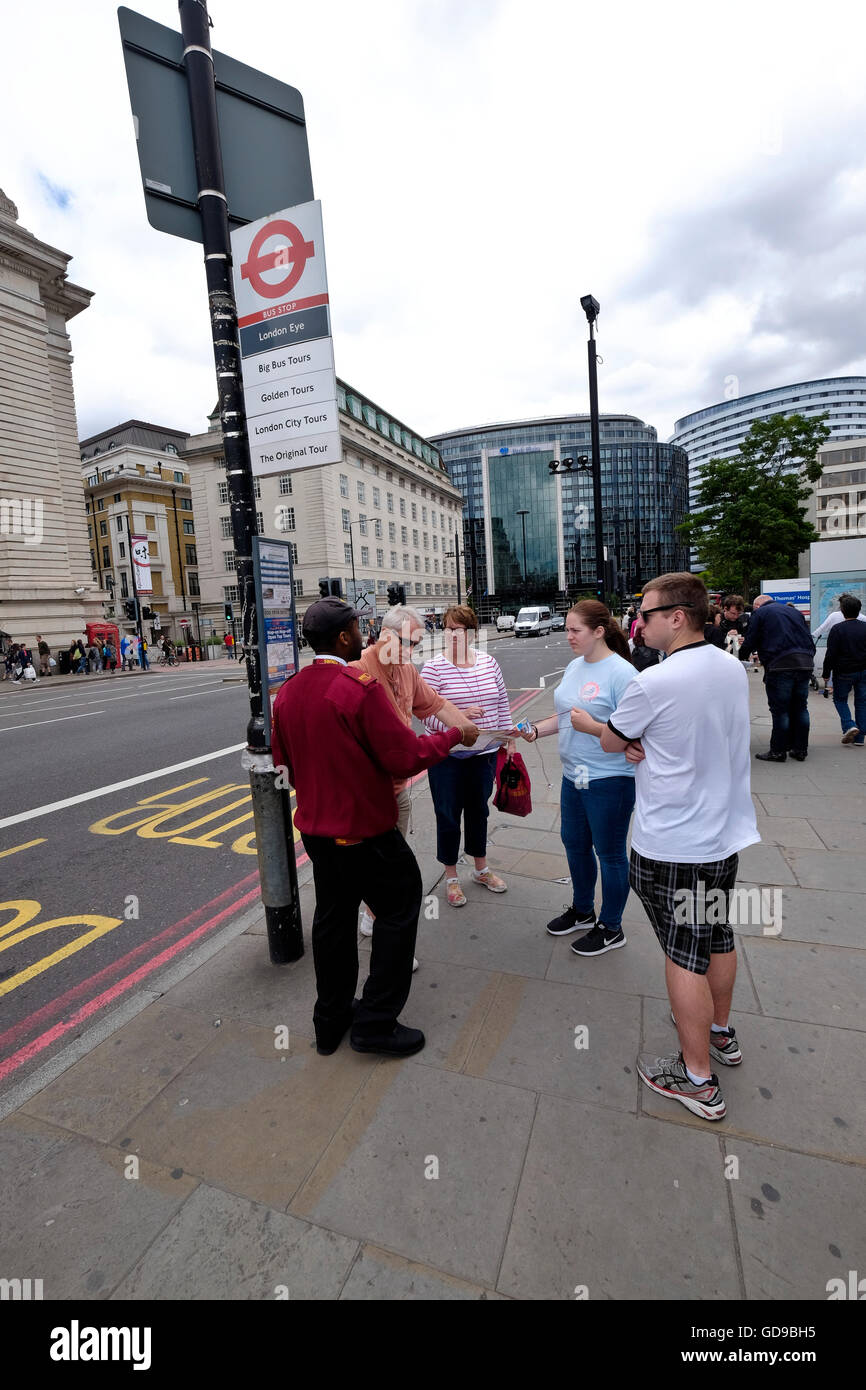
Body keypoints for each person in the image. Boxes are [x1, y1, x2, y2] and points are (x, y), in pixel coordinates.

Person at [270, 597, 479, 1058]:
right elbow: (403, 756)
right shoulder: (357, 686)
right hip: (364, 829)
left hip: (317, 832)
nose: (361, 636)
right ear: (344, 637)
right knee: (401, 905)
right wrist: (452, 736)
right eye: (355, 629)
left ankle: (331, 1021)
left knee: (332, 919)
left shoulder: (287, 691)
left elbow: (283, 764)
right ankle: (376, 1023)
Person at [599, 572, 760, 1122]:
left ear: (677, 617)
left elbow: (610, 738)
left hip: (671, 843)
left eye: (644, 615)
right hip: (722, 836)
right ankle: (720, 1033)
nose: (637, 624)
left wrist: (634, 740)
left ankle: (697, 1080)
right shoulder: (729, 665)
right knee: (717, 932)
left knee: (681, 954)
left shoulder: (655, 682)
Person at [351, 605, 479, 956]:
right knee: (389, 870)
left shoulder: (406, 670)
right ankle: (385, 941)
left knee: (390, 864)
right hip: (368, 793)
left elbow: (436, 704)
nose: (412, 652)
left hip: (397, 788)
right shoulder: (357, 671)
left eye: (417, 644)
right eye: (409, 643)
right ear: (386, 635)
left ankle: (372, 913)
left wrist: (466, 729)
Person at [522, 601, 637, 956]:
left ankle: (612, 926)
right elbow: (565, 717)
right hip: (575, 775)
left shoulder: (623, 674)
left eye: (575, 630)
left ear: (599, 631)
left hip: (610, 778)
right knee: (573, 842)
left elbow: (636, 732)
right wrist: (535, 730)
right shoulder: (574, 666)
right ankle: (583, 910)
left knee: (611, 853)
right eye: (568, 629)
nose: (568, 636)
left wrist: (594, 727)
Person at [420, 604, 516, 906]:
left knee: (479, 811)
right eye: (447, 628)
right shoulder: (433, 668)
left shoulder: (488, 662)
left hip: (483, 754)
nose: (451, 634)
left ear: (472, 633)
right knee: (448, 815)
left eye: (457, 629)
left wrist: (507, 738)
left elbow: (501, 701)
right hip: (446, 757)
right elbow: (426, 715)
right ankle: (451, 877)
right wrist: (459, 718)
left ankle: (481, 869)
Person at [740, 595, 815, 762]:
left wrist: (740, 657)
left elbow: (751, 639)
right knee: (801, 707)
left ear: (757, 605)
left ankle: (778, 750)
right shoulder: (795, 612)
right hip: (805, 662)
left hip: (780, 664)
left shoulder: (760, 613)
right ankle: (800, 749)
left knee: (780, 709)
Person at [823, 594, 866, 746]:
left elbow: (831, 653)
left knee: (840, 699)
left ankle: (849, 725)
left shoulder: (837, 629)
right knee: (862, 702)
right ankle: (860, 738)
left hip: (844, 672)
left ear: (842, 611)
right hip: (864, 671)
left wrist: (826, 674)